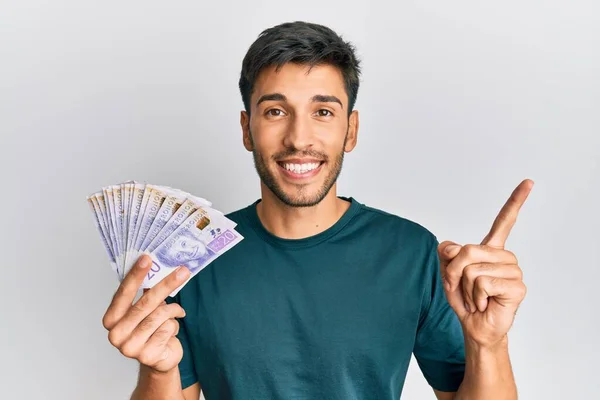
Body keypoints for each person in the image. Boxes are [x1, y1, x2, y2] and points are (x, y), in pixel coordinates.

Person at [102, 21, 533, 400]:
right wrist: (158, 371)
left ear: (351, 130)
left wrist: (489, 345)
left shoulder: (412, 252)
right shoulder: (192, 256)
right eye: (275, 111)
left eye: (323, 111)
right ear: (246, 129)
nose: (298, 138)